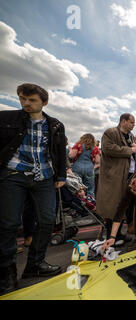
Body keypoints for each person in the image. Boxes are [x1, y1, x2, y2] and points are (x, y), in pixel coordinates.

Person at [0, 83, 67, 295]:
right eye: (23, 99)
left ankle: (35, 264)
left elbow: (58, 152)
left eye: (32, 100)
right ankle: (6, 273)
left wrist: (61, 176)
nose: (26, 103)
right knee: (9, 224)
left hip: (44, 177)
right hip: (14, 175)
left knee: (48, 220)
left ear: (44, 102)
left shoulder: (55, 124)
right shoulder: (6, 119)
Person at [96, 113, 136, 246]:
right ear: (123, 121)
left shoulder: (131, 136)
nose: (133, 125)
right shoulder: (111, 132)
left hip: (129, 173)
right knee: (113, 205)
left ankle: (118, 234)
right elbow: (108, 149)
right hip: (114, 175)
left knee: (123, 205)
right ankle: (110, 236)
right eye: (132, 122)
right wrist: (130, 150)